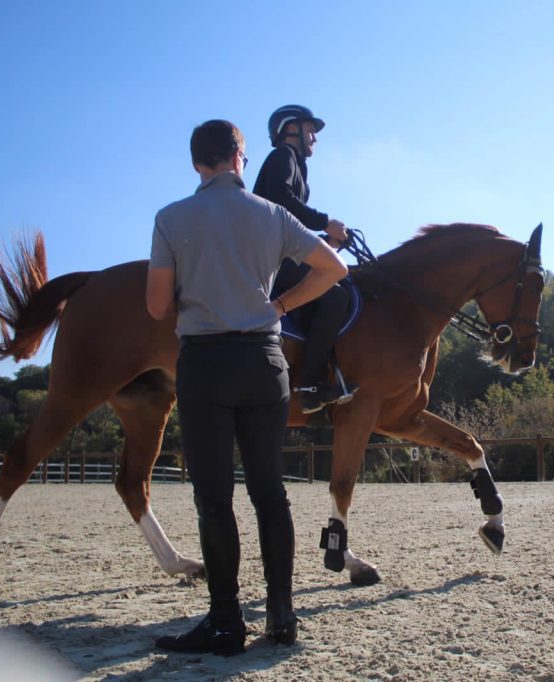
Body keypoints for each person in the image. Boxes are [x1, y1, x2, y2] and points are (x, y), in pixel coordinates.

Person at [146, 119, 347, 654]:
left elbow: (157, 307)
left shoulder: (170, 218)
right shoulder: (273, 214)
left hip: (205, 364)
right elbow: (332, 268)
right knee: (270, 494)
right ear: (239, 158)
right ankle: (282, 616)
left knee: (214, 501)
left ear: (196, 163)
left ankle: (226, 622)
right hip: (264, 360)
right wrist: (279, 305)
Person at [253, 104, 357, 414]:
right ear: (291, 129)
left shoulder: (298, 167)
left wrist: (326, 244)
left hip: (283, 252)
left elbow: (291, 221)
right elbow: (283, 202)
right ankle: (310, 386)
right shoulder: (282, 157)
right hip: (270, 257)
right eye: (310, 130)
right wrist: (325, 223)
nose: (315, 137)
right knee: (334, 297)